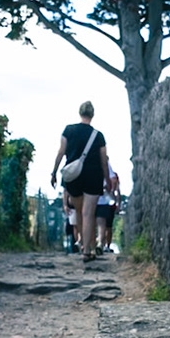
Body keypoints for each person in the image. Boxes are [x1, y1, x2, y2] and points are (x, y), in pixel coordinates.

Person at [50, 100, 108, 263]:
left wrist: (54, 172)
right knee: (89, 213)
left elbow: (61, 152)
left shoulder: (69, 130)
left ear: (79, 112)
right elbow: (103, 160)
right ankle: (87, 250)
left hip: (73, 176)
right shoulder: (98, 135)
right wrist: (107, 179)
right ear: (92, 114)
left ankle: (84, 243)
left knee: (79, 211)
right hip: (93, 176)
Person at [95, 167, 122, 254]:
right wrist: (118, 203)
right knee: (106, 226)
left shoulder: (113, 176)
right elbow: (118, 192)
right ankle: (103, 244)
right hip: (107, 202)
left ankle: (104, 244)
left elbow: (117, 191)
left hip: (105, 202)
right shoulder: (113, 176)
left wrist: (118, 203)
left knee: (106, 225)